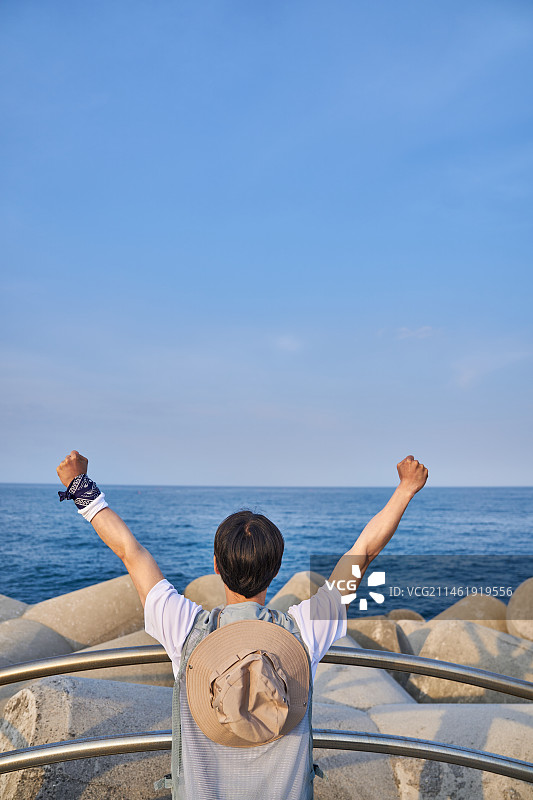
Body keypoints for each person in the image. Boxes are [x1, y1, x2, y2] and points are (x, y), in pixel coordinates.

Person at [57, 450, 428, 800]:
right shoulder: (305, 631)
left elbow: (130, 551)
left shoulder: (186, 628)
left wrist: (79, 485)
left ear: (216, 566)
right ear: (276, 570)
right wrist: (405, 488)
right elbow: (363, 552)